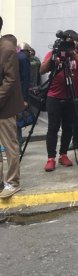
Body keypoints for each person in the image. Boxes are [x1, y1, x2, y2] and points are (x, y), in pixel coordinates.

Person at [40, 30, 78, 172]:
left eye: (73, 41)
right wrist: (55, 55)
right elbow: (42, 70)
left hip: (71, 96)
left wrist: (72, 52)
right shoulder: (53, 54)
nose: (71, 43)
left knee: (68, 127)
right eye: (68, 41)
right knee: (53, 128)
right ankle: (51, 158)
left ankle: (63, 154)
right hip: (54, 96)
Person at [0, 22, 24, 198]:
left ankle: (12, 182)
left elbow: (10, 80)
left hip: (4, 107)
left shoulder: (7, 49)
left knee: (9, 146)